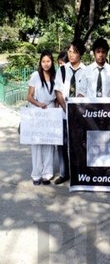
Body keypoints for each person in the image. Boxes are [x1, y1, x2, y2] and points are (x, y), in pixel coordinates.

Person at [53, 39, 86, 184]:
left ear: (80, 54)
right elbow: (58, 91)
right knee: (62, 144)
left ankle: (78, 173)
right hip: (63, 113)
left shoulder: (86, 71)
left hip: (79, 115)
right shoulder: (62, 70)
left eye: (74, 52)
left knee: (78, 144)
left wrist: (75, 110)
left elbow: (85, 92)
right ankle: (64, 173)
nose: (71, 54)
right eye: (69, 51)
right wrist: (67, 109)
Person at [27, 50, 58, 185]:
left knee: (49, 144)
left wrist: (55, 110)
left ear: (52, 62)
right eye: (43, 61)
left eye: (48, 61)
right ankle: (36, 174)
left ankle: (47, 174)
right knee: (37, 144)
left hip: (50, 111)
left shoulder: (55, 76)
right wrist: (39, 104)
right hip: (37, 111)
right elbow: (29, 96)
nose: (46, 64)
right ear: (40, 62)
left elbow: (57, 96)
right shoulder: (35, 75)